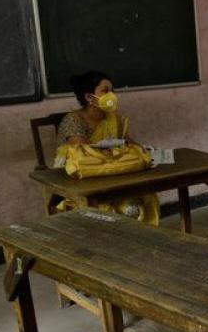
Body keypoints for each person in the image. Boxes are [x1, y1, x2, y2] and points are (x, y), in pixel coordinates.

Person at [54, 71, 160, 225]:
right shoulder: (74, 120)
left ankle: (141, 241)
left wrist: (143, 150)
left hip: (113, 173)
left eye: (112, 90)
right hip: (83, 178)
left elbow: (128, 142)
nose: (111, 95)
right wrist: (119, 153)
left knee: (146, 196)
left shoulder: (113, 118)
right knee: (124, 209)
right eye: (105, 91)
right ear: (89, 97)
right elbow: (83, 154)